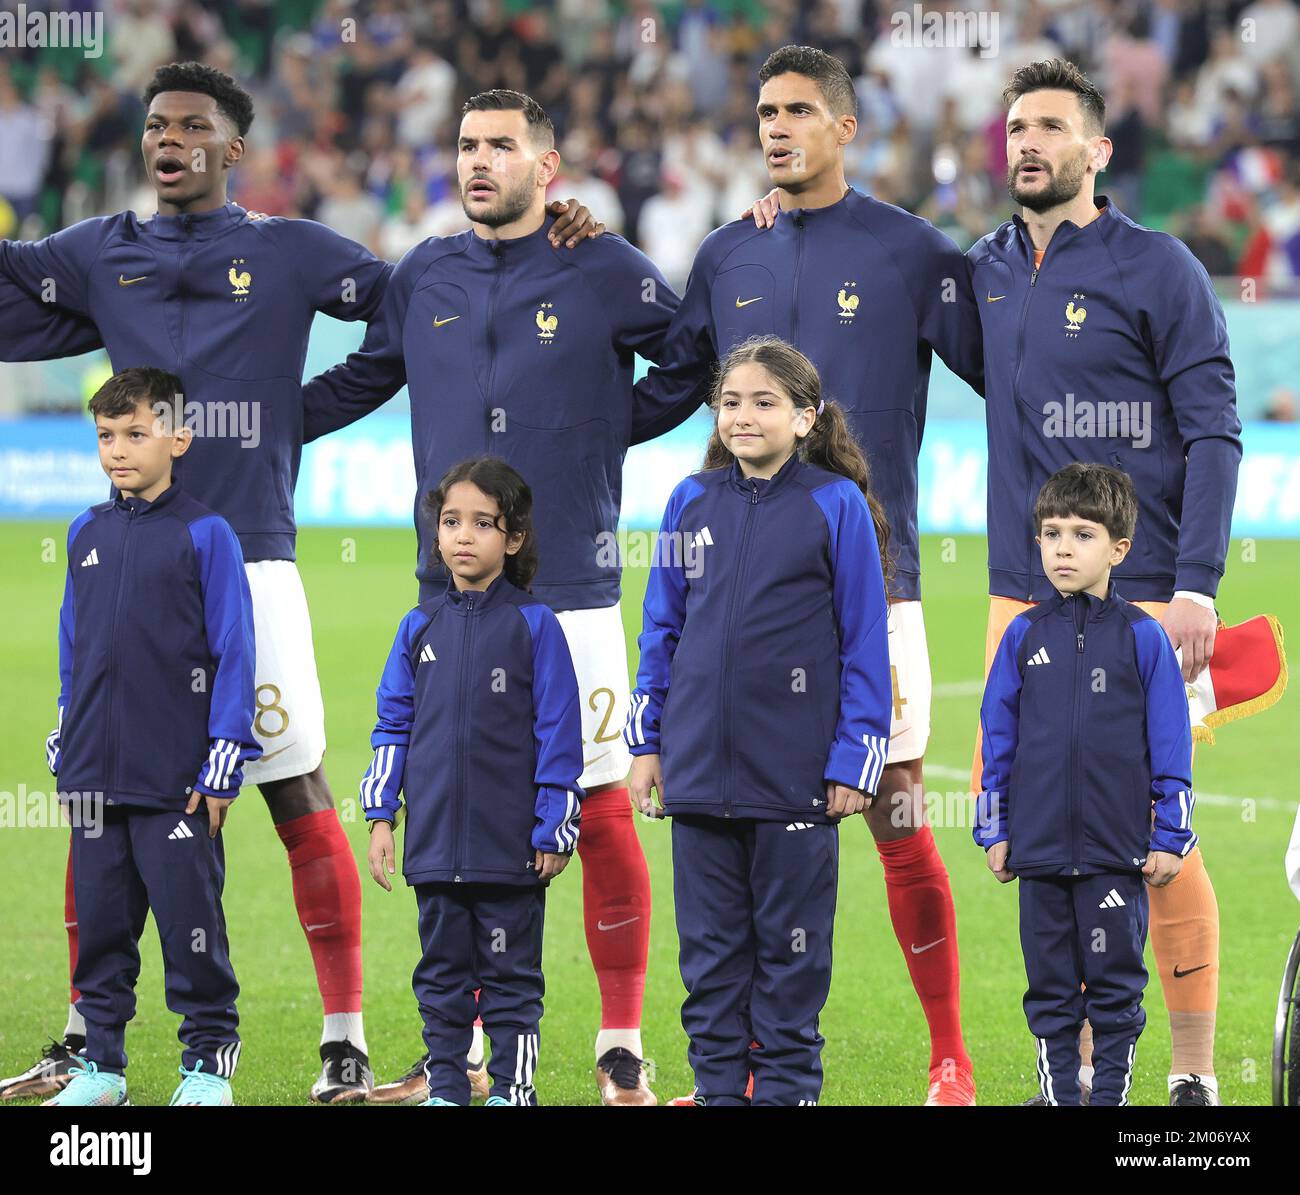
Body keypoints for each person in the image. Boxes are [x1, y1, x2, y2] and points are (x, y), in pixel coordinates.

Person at [0, 62, 598, 1104]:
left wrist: (296, 411)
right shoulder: (100, 251)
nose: (167, 140)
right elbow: (16, 288)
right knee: (108, 791)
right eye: (154, 126)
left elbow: (411, 305)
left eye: (192, 127)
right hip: (136, 555)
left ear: (235, 151)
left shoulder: (286, 249)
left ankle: (343, 1033)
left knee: (292, 787)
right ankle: (86, 1035)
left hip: (253, 555)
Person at [302, 88, 712, 1106]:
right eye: (467, 145)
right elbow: (365, 375)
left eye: (501, 146)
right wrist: (247, 423)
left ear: (548, 164)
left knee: (602, 806)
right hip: (448, 598)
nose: (479, 161)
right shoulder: (426, 273)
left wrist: (603, 431)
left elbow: (693, 356)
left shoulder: (605, 266)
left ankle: (621, 1043)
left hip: (569, 589)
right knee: (471, 812)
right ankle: (472, 1055)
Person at [669, 45, 985, 1105]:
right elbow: (667, 374)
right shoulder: (724, 254)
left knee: (893, 806)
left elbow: (1012, 366)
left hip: (873, 580)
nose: (776, 127)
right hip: (739, 588)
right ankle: (737, 1073)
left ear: (847, 127)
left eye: (800, 110)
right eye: (764, 111)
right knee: (726, 822)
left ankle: (948, 1053)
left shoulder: (912, 253)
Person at [967, 58, 1240, 1106]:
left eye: (1048, 126)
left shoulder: (1158, 268)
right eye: (1015, 127)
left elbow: (1215, 430)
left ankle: (1189, 1071)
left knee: (1154, 838)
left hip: (1143, 593)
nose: (1026, 143)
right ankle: (1077, 1068)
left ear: (1097, 149)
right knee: (1047, 834)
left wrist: (1196, 584)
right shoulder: (982, 270)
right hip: (1017, 595)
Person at [625, 336, 892, 1105]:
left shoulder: (833, 504)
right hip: (700, 772)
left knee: (790, 959)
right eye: (731, 401)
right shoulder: (689, 499)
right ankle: (717, 1092)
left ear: (805, 417)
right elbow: (660, 630)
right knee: (709, 960)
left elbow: (864, 640)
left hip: (797, 775)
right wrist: (647, 744)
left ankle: (786, 1093)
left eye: (765, 402)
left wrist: (856, 757)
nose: (744, 416)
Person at [45, 367, 259, 1107]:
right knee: (102, 927)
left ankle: (206, 1063)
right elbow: (74, 647)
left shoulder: (207, 532)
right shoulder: (84, 532)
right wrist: (64, 727)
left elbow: (235, 648)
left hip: (177, 778)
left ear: (178, 437)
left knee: (191, 926)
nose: (119, 450)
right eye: (107, 436)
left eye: (136, 434)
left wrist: (225, 753)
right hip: (95, 773)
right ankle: (101, 1067)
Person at [362, 457, 584, 1106]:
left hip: (508, 847)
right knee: (441, 977)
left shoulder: (534, 626)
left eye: (482, 523)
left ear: (512, 538)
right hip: (433, 848)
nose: (462, 535)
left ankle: (514, 1089)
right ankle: (448, 1088)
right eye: (451, 521)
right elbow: (391, 726)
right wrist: (381, 817)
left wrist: (553, 826)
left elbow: (559, 736)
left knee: (512, 979)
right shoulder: (417, 626)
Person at [974, 463, 1196, 1106]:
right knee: (1048, 988)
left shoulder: (1143, 638)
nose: (1063, 548)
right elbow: (998, 742)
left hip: (1116, 851)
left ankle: (1109, 1101)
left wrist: (1170, 834)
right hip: (1039, 853)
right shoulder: (1023, 635)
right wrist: (995, 828)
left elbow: (1171, 748)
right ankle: (1062, 1097)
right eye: (1050, 533)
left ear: (1118, 548)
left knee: (1116, 985)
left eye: (1082, 533)